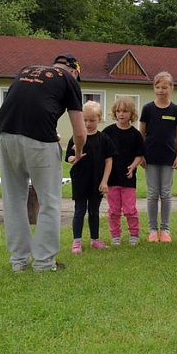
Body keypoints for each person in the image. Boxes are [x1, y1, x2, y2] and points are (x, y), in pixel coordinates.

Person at [0, 53, 86, 272]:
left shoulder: (26, 70)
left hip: (6, 134)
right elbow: (80, 132)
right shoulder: (69, 80)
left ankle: (19, 261)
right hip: (40, 141)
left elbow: (25, 105)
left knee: (14, 200)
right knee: (49, 201)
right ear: (74, 71)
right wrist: (79, 153)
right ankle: (44, 262)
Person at [66, 100, 116, 254]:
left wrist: (105, 181)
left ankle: (95, 239)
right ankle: (77, 241)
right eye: (85, 120)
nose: (88, 124)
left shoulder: (104, 139)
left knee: (94, 211)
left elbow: (109, 161)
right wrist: (74, 158)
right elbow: (69, 157)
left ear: (99, 119)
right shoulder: (77, 137)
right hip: (80, 180)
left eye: (92, 120)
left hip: (97, 182)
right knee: (79, 210)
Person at [140, 71, 177, 243]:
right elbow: (141, 134)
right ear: (154, 88)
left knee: (165, 193)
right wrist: (140, 155)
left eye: (164, 87)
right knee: (152, 194)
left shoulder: (176, 110)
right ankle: (152, 229)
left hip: (168, 159)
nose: (161, 90)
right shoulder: (148, 109)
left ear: (171, 88)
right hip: (150, 158)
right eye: (157, 87)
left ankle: (165, 230)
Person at [103, 96, 145, 246]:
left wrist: (133, 166)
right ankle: (115, 235)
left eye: (125, 111)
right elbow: (101, 153)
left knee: (129, 209)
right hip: (111, 180)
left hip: (128, 179)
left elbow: (140, 155)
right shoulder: (107, 132)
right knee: (114, 210)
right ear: (115, 112)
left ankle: (134, 234)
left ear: (131, 114)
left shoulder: (136, 134)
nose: (121, 114)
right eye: (119, 111)